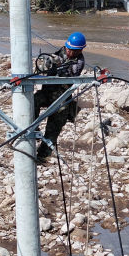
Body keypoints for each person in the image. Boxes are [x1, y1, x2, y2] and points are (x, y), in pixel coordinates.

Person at [34, 32, 86, 161]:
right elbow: (44, 66)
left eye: (74, 51)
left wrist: (58, 66)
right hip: (48, 93)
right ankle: (32, 128)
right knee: (33, 100)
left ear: (80, 50)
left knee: (54, 128)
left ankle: (42, 156)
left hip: (62, 98)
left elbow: (71, 73)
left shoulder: (79, 61)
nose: (70, 53)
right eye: (69, 50)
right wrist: (48, 64)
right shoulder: (60, 53)